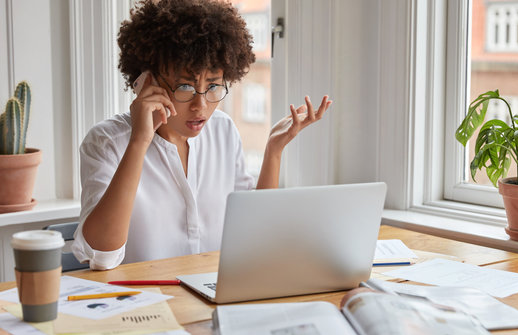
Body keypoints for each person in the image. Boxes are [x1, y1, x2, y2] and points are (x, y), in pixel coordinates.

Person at [72, 0, 332, 270]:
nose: (201, 106)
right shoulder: (106, 142)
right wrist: (139, 141)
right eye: (185, 86)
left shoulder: (223, 130)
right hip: (144, 304)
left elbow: (254, 235)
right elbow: (100, 255)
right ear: (146, 82)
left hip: (213, 299)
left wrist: (273, 151)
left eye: (213, 86)